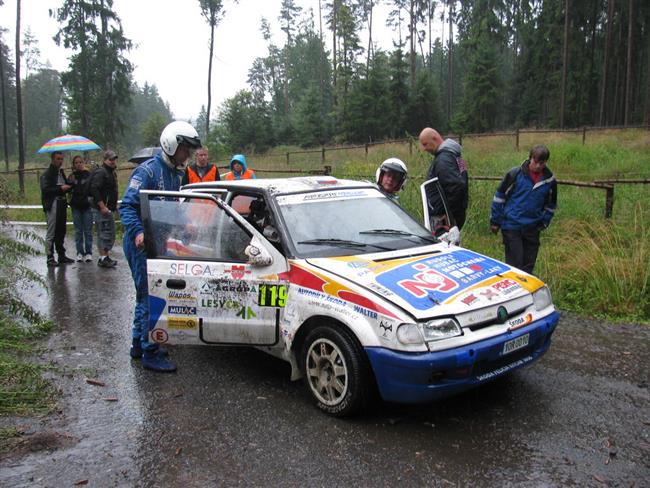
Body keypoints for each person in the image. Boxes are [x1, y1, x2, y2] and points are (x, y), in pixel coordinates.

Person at [119, 120, 201, 372]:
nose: (188, 154)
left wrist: (185, 224)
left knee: (145, 295)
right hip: (141, 245)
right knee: (149, 296)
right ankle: (150, 351)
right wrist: (139, 233)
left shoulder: (177, 173)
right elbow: (127, 206)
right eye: (185, 149)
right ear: (172, 144)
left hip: (159, 243)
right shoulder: (147, 172)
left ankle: (137, 343)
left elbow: (171, 208)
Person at [490, 145, 557, 275]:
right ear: (530, 158)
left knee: (528, 266)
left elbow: (551, 204)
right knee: (515, 265)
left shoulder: (549, 181)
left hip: (532, 228)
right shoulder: (515, 175)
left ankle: (526, 293)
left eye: (541, 163)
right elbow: (499, 197)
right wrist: (495, 221)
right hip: (512, 226)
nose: (538, 166)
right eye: (535, 162)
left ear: (546, 162)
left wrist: (544, 222)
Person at [418, 127, 469, 231]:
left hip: (444, 220)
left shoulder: (444, 160)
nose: (424, 149)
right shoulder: (454, 156)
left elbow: (456, 186)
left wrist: (448, 215)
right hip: (451, 217)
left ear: (434, 138)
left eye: (425, 144)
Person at [40, 151, 74, 267]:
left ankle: (61, 254)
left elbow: (65, 187)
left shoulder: (61, 173)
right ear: (53, 159)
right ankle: (50, 256)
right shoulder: (47, 174)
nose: (60, 161)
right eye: (58, 159)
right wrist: (61, 189)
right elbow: (46, 190)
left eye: (61, 159)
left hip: (62, 203)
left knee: (61, 230)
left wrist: (70, 185)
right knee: (52, 230)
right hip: (52, 203)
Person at [90, 150, 119, 268]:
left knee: (108, 232)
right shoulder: (102, 172)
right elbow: (94, 188)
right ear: (105, 160)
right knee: (104, 232)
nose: (113, 161)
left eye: (114, 159)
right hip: (101, 209)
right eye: (110, 159)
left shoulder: (111, 172)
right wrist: (102, 206)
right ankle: (103, 258)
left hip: (109, 208)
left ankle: (105, 256)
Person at [68, 155, 94, 262]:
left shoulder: (88, 175)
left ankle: (88, 252)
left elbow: (93, 188)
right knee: (78, 231)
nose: (79, 164)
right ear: (73, 165)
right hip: (76, 206)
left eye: (80, 162)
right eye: (76, 163)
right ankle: (79, 252)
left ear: (83, 163)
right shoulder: (71, 176)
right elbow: (68, 190)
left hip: (87, 206)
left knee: (88, 230)